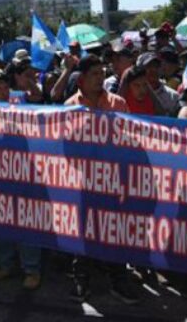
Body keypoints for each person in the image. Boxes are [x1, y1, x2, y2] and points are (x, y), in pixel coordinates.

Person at [64, 55, 139, 303]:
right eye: (95, 74)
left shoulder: (117, 103)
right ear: (82, 78)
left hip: (114, 180)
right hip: (84, 182)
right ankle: (80, 279)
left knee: (115, 230)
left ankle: (119, 280)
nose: (100, 78)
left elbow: (130, 140)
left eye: (102, 73)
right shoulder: (70, 107)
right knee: (83, 231)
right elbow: (66, 147)